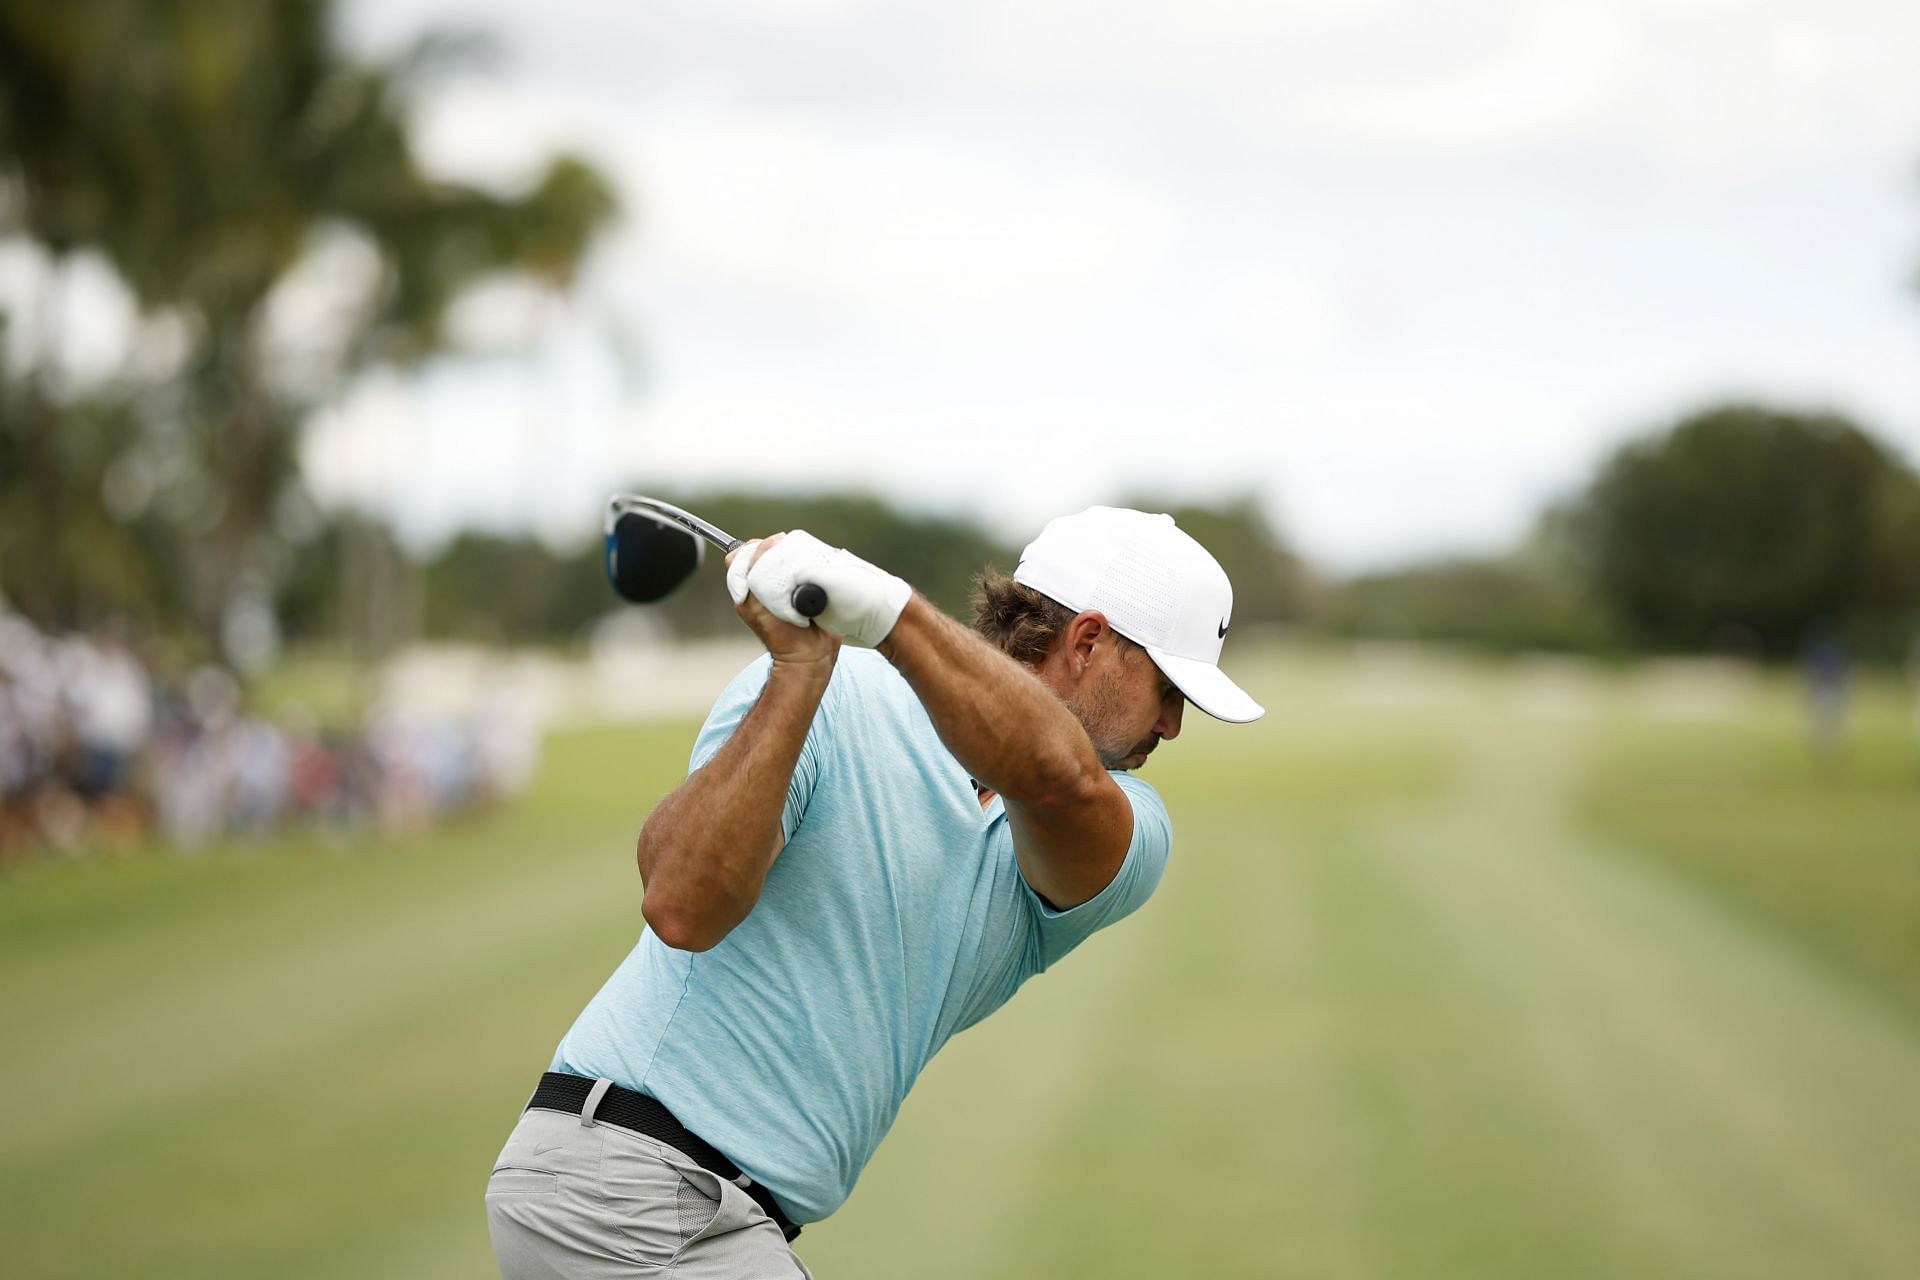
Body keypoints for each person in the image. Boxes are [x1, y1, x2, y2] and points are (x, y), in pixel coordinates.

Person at [485, 506, 1265, 1278]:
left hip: (720, 1219)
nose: (1172, 726)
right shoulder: (836, 693)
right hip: (622, 1181)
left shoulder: (1127, 827)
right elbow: (682, 907)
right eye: (1167, 688)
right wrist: (799, 671)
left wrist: (888, 613)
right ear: (1088, 641)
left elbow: (1051, 777)